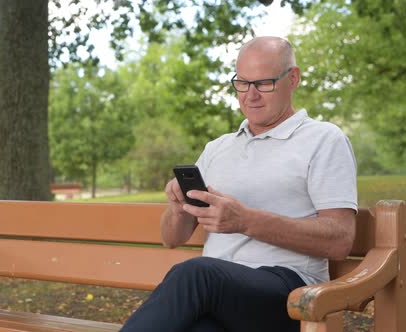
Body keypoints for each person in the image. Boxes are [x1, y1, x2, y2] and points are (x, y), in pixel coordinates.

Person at [120, 36, 358, 332]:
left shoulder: (324, 140)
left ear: (293, 78)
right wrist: (178, 208)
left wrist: (245, 221)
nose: (250, 95)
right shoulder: (217, 148)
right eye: (242, 83)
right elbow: (172, 238)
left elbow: (340, 240)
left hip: (291, 293)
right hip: (217, 298)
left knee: (197, 273)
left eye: (264, 83)